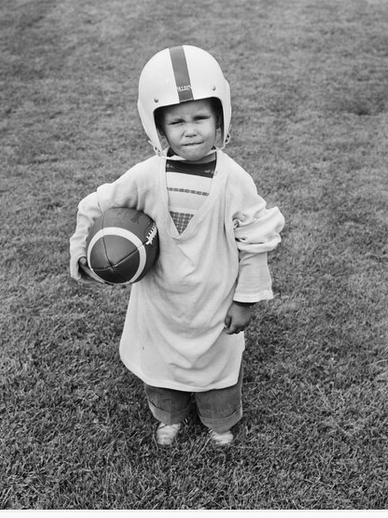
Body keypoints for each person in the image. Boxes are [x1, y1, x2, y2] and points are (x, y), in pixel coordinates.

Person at [69, 45, 285, 447]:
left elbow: (256, 238)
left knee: (217, 367)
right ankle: (169, 415)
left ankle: (219, 421)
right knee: (160, 364)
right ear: (158, 128)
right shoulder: (146, 176)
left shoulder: (234, 179)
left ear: (221, 118)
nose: (190, 129)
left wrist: (246, 299)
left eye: (201, 117)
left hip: (214, 298)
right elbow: (99, 203)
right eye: (177, 121)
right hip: (160, 300)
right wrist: (83, 248)